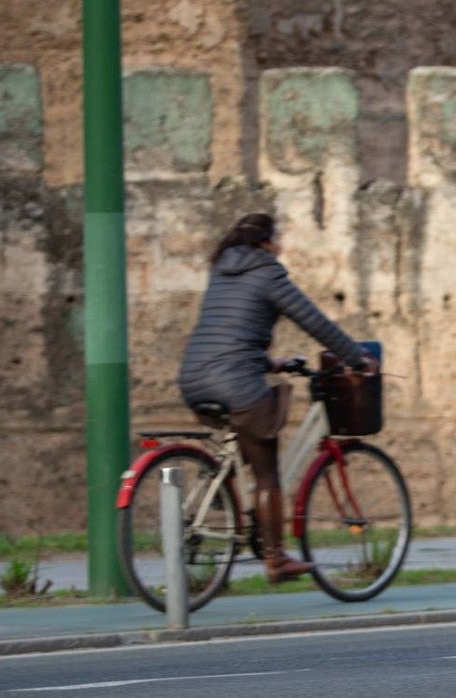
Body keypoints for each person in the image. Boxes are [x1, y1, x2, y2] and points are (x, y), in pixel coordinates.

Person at [178, 213, 378, 583]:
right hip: (235, 382)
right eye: (278, 239)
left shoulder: (221, 270)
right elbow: (314, 321)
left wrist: (273, 362)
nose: (281, 246)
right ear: (266, 242)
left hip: (193, 377)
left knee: (246, 447)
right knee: (268, 474)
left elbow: (230, 331)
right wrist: (356, 358)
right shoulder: (267, 271)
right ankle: (276, 559)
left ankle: (237, 509)